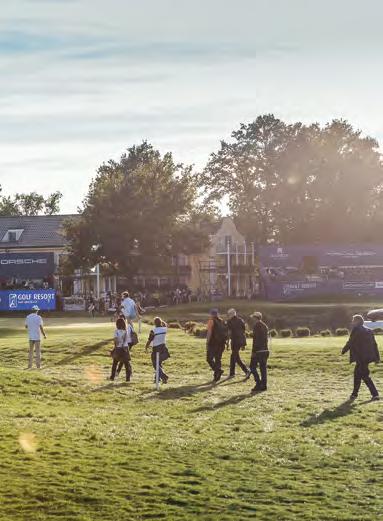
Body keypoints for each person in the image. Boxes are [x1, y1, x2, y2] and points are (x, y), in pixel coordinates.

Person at [341, 314, 380, 401]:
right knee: (357, 375)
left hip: (360, 357)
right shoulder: (369, 331)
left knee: (365, 376)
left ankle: (375, 394)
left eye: (353, 320)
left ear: (357, 321)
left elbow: (351, 342)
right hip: (367, 357)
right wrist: (377, 358)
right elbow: (374, 345)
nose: (352, 322)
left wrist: (344, 350)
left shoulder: (356, 330)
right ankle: (354, 394)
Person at [227, 308, 250, 378]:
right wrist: (243, 344)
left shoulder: (230, 321)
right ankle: (232, 373)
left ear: (231, 314)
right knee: (233, 356)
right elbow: (243, 332)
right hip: (241, 340)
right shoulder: (241, 320)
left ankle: (247, 371)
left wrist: (227, 342)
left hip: (235, 341)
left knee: (236, 357)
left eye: (228, 315)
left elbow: (229, 332)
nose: (228, 316)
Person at [145, 317, 169, 384]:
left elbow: (150, 340)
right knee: (159, 364)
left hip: (156, 348)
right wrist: (162, 322)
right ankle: (157, 379)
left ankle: (164, 376)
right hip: (163, 348)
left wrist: (146, 347)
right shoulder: (164, 329)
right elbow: (165, 324)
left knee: (155, 363)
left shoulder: (153, 330)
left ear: (155, 323)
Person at [206, 309, 228, 382]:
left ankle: (218, 371)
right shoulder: (222, 321)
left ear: (211, 314)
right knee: (218, 359)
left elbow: (209, 332)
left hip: (213, 343)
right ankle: (216, 377)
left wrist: (207, 342)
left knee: (209, 359)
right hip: (221, 343)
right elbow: (226, 332)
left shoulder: (211, 321)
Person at [250, 312, 269, 392]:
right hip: (265, 349)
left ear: (256, 318)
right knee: (263, 368)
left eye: (253, 318)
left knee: (252, 367)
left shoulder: (256, 326)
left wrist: (254, 351)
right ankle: (264, 385)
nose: (252, 319)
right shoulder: (265, 326)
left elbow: (257, 340)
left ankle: (258, 383)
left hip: (258, 350)